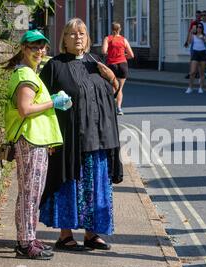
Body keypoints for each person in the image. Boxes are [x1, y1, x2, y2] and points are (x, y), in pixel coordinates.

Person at [39, 18, 123, 252]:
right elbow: (41, 101)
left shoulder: (95, 62)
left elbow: (110, 94)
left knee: (95, 187)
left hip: (99, 139)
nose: (78, 37)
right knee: (70, 185)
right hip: (69, 140)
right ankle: (65, 236)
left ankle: (91, 234)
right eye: (72, 34)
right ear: (64, 39)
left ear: (88, 39)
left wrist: (112, 79)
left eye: (82, 33)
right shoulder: (55, 66)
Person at [3, 30, 72, 260]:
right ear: (24, 48)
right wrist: (54, 102)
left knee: (32, 193)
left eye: (43, 47)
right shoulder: (25, 75)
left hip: (36, 140)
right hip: (29, 140)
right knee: (29, 194)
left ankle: (29, 237)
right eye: (34, 47)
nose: (40, 51)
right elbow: (25, 109)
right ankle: (25, 243)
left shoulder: (30, 73)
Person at [102, 22, 135, 116]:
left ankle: (108, 107)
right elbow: (131, 55)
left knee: (111, 87)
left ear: (111, 29)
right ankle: (119, 108)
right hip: (123, 65)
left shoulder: (108, 38)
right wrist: (123, 55)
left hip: (112, 65)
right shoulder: (124, 40)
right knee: (120, 89)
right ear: (120, 29)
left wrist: (110, 54)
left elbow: (104, 51)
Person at [185, 23, 206, 94]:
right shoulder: (193, 35)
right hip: (195, 53)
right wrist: (190, 32)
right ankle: (190, 87)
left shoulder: (205, 36)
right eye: (198, 27)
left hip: (203, 53)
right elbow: (189, 42)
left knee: (202, 73)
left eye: (200, 27)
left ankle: (201, 88)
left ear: (202, 28)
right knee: (192, 72)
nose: (199, 28)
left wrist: (204, 40)